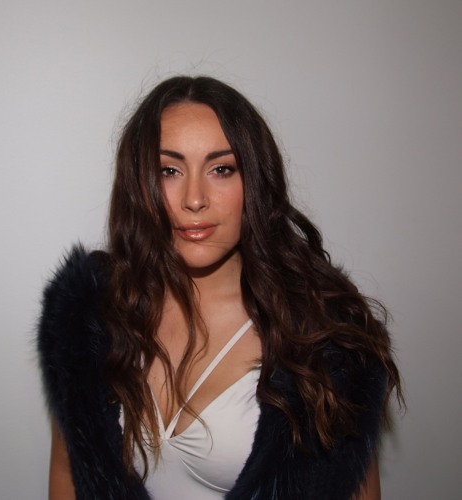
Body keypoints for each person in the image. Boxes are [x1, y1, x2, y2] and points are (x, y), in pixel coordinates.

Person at [38, 76, 402, 500]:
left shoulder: (324, 340)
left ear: (255, 182)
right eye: (169, 170)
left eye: (221, 169)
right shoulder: (87, 317)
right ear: (140, 185)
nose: (194, 199)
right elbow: (67, 473)